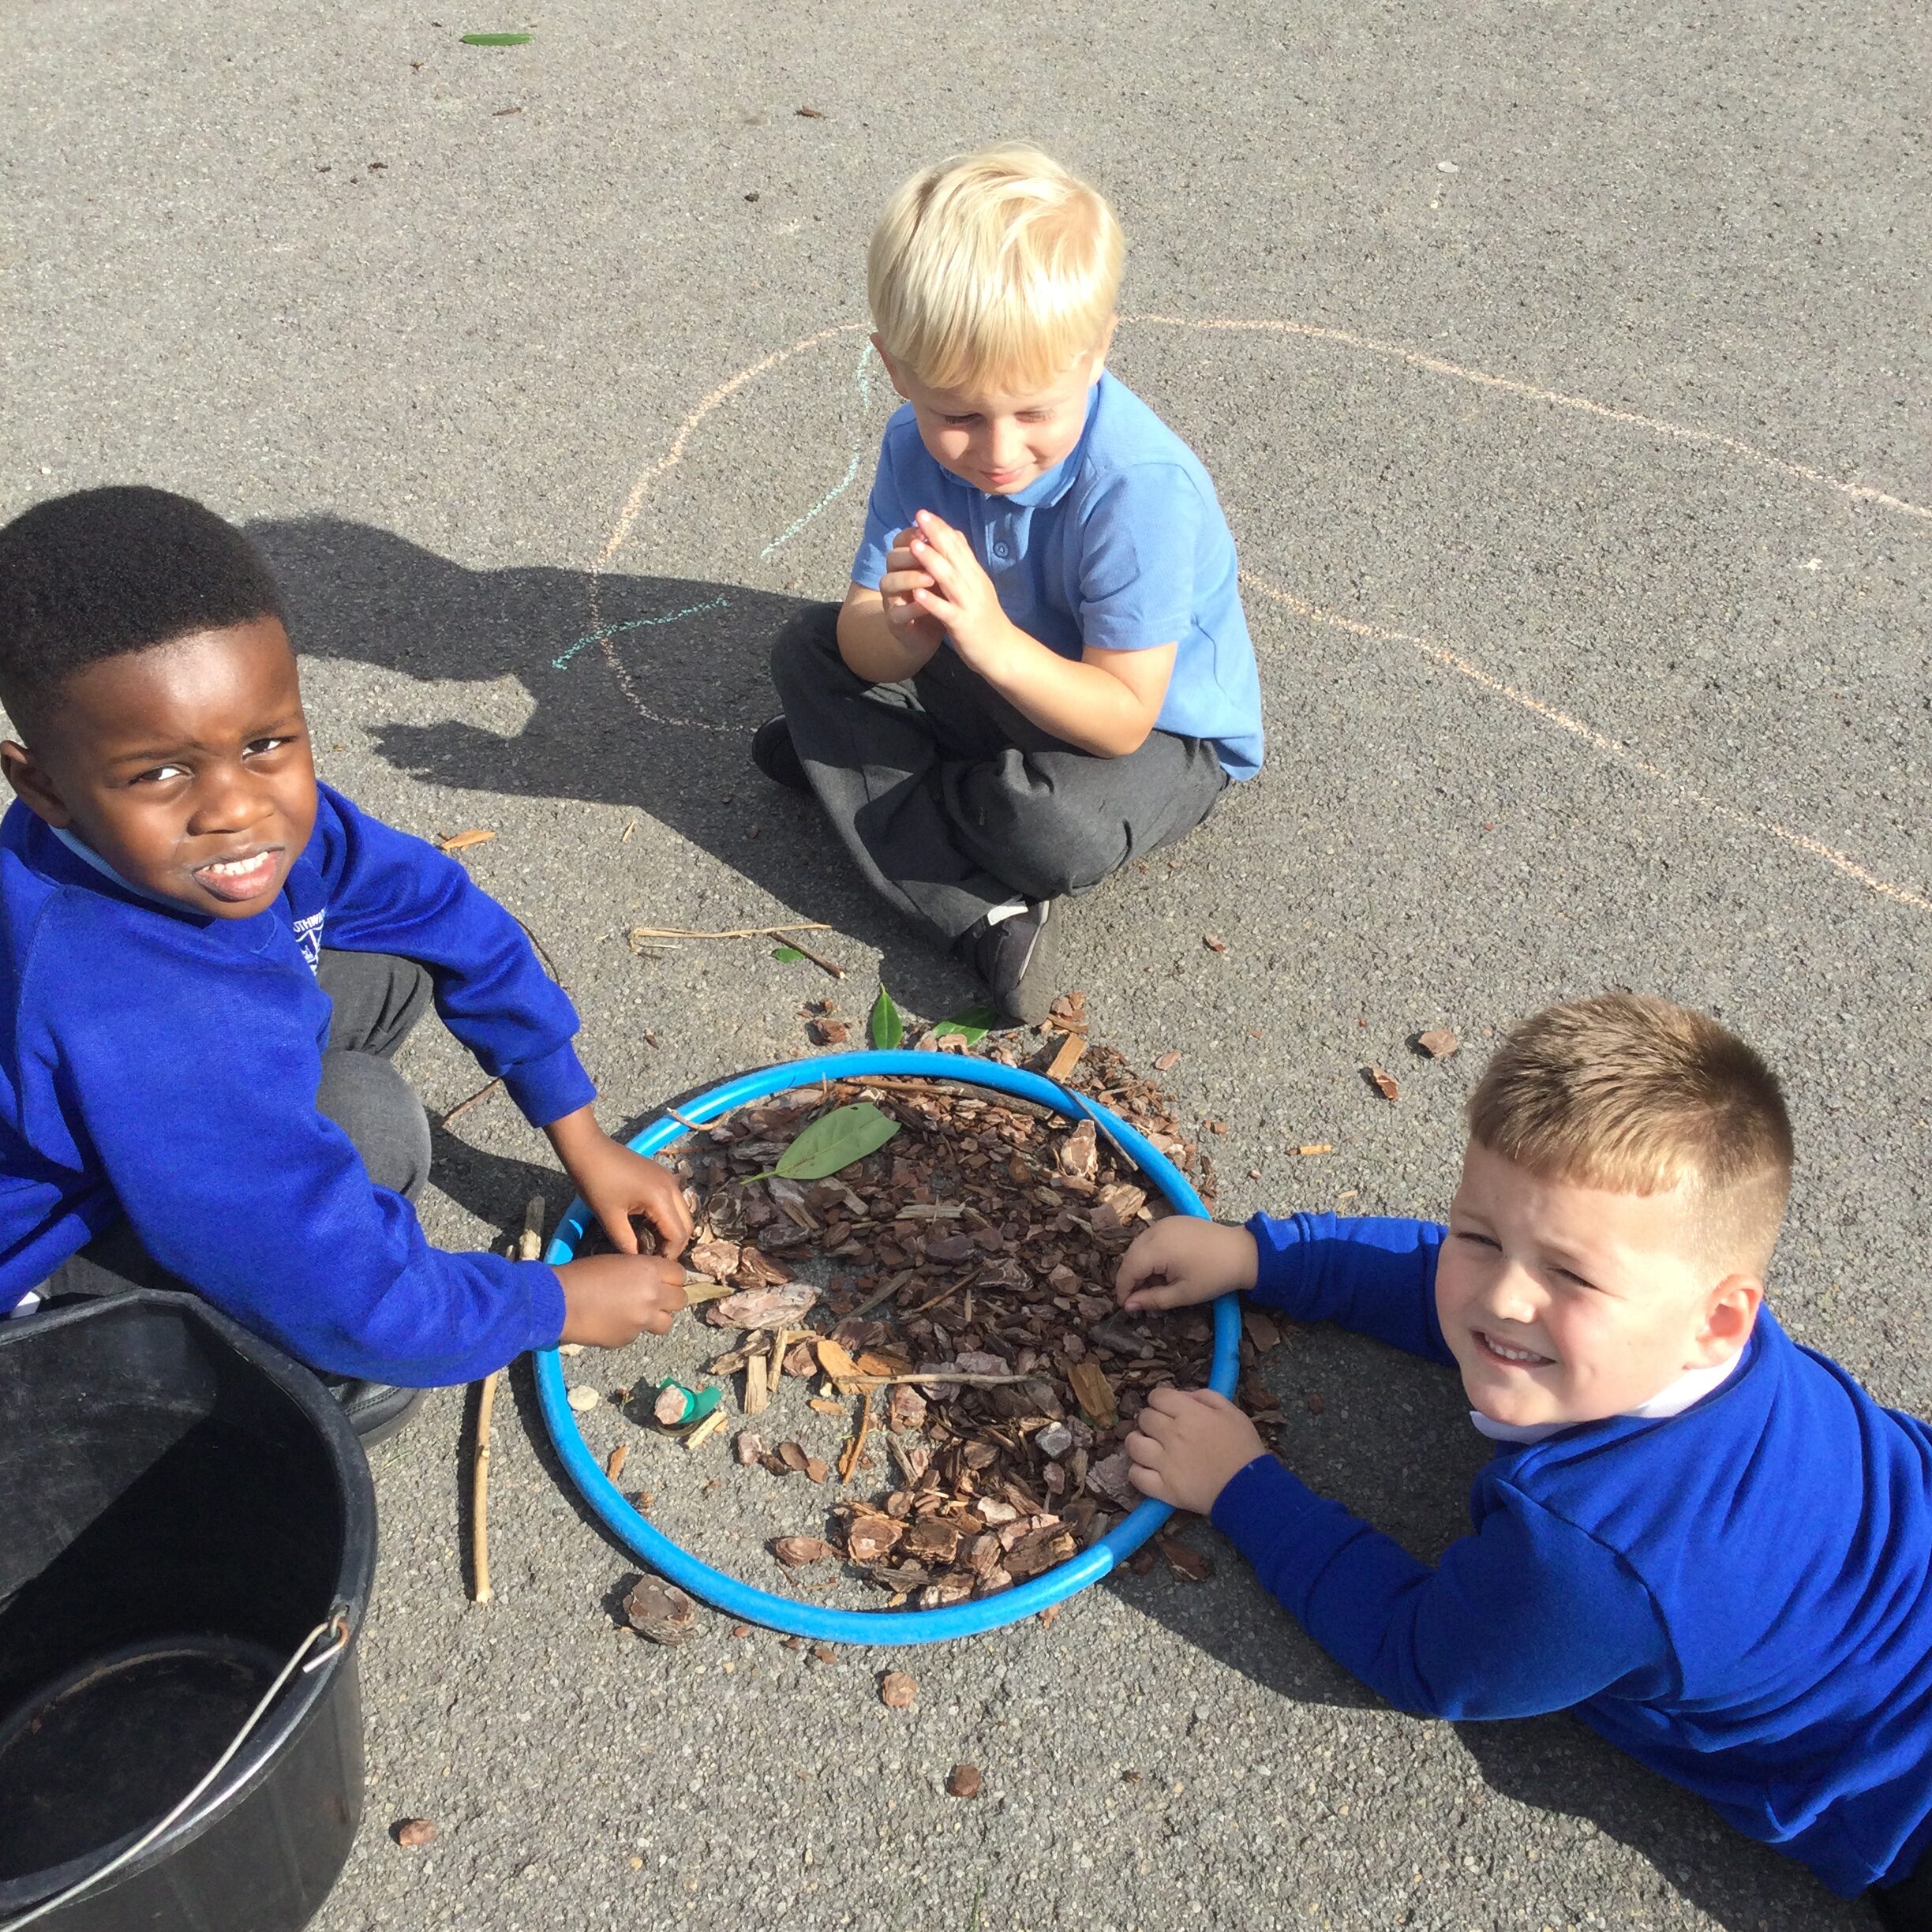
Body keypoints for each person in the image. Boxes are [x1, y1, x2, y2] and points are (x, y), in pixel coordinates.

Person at [1117, 992, 1932, 1924]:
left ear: (1718, 1320)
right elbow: (1445, 1279)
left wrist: (1240, 1486)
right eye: (1481, 1236)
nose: (1502, 1297)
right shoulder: (1702, 1327)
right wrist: (1263, 1256)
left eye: (1571, 1275)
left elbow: (1420, 1655)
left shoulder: (1592, 1561)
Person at [0, 486, 691, 1441]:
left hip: (157, 1101)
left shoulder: (247, 835)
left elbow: (445, 911)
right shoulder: (144, 1016)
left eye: (265, 743)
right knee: (372, 1123)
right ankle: (264, 1413)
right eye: (160, 772)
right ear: (41, 786)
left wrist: (580, 1132)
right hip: (46, 1258)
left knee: (395, 965)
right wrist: (552, 1302)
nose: (235, 809)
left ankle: (238, 1181)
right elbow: (351, 1298)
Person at [756, 144, 1264, 1024]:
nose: (997, 452)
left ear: (1096, 353)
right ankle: (966, 893)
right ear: (895, 369)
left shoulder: (1137, 485)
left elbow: (1122, 717)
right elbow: (862, 636)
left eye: (1034, 412)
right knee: (807, 650)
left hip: (1160, 736)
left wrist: (988, 642)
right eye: (958, 414)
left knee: (1048, 825)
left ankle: (866, 782)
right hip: (999, 675)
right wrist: (901, 633)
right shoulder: (911, 445)